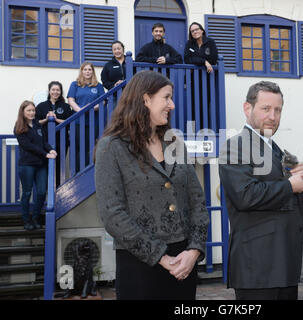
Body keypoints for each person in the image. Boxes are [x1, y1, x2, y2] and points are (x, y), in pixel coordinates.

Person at [94, 70, 209, 300]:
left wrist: (194, 251)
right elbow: (112, 215)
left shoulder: (176, 143)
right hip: (139, 268)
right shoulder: (111, 148)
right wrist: (162, 257)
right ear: (145, 99)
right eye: (166, 97)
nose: (172, 105)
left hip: (184, 265)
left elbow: (198, 202)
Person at [218, 81, 303, 300]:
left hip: (284, 265)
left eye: (278, 109)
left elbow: (294, 202)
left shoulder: (278, 150)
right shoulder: (234, 147)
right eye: (266, 108)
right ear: (247, 108)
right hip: (257, 269)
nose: (273, 116)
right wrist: (291, 185)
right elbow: (245, 196)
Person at [14, 101, 57, 230]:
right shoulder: (19, 126)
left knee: (42, 192)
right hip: (27, 165)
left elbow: (43, 142)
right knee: (27, 193)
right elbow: (28, 146)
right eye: (29, 110)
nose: (32, 113)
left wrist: (51, 149)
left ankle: (36, 217)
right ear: (23, 112)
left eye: (33, 110)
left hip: (40, 165)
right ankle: (26, 220)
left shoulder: (37, 124)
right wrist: (45, 154)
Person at [67, 62, 105, 172]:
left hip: (93, 122)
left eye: (89, 69)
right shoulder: (75, 84)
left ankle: (89, 172)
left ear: (93, 71)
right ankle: (78, 173)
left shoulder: (98, 86)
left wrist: (92, 108)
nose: (87, 71)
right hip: (78, 122)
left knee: (90, 148)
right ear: (82, 71)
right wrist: (81, 110)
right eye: (85, 69)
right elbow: (70, 100)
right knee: (78, 148)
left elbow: (103, 102)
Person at [36, 81, 73, 186]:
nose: (55, 92)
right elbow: (35, 123)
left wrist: (56, 119)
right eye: (53, 90)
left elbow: (70, 122)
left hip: (62, 142)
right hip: (44, 142)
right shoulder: (41, 106)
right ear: (49, 91)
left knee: (59, 167)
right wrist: (46, 119)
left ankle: (57, 192)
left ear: (60, 92)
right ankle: (46, 193)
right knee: (45, 167)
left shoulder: (65, 106)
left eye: (58, 90)